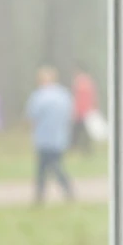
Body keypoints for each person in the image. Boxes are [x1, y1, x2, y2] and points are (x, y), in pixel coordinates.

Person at [27, 67, 76, 204]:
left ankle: (43, 193)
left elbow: (32, 117)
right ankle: (45, 193)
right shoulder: (63, 95)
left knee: (48, 166)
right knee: (51, 165)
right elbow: (70, 115)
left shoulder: (39, 96)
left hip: (44, 138)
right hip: (60, 137)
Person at [71, 62, 98, 154]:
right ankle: (84, 148)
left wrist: (76, 111)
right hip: (87, 110)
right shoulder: (89, 81)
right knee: (83, 131)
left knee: (77, 131)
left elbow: (79, 98)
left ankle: (76, 147)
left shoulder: (79, 81)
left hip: (81, 111)